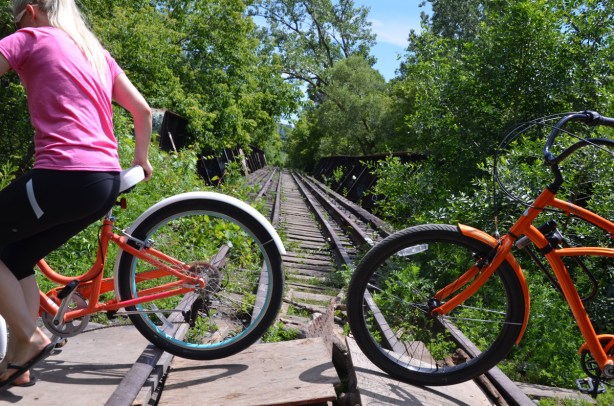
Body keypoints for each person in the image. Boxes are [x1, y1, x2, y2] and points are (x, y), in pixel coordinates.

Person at [0, 0, 153, 388]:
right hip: (104, 181)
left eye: (13, 16)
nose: (13, 23)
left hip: (63, 176)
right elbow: (143, 111)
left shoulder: (29, 38)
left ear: (30, 10)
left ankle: (32, 337)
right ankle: (19, 364)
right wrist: (141, 159)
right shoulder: (94, 51)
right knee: (15, 256)